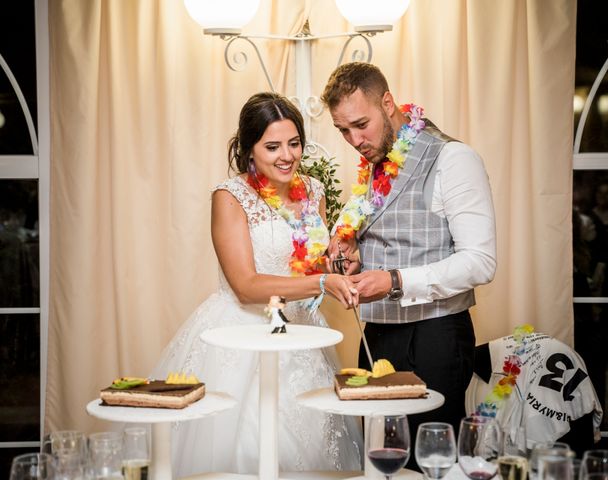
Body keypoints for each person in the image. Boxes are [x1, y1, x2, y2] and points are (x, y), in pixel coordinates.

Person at [152, 92, 362, 477]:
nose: (287, 156)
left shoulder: (313, 191)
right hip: (243, 336)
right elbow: (245, 285)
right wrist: (323, 280)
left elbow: (307, 264)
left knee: (312, 445)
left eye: (294, 143)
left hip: (302, 337)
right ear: (250, 149)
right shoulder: (230, 197)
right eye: (272, 146)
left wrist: (339, 262)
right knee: (252, 446)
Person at [321, 62, 497, 470]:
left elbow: (481, 261)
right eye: (343, 130)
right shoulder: (376, 162)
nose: (354, 139)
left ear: (388, 102)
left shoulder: (454, 158)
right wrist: (352, 246)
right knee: (379, 463)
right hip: (378, 337)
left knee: (424, 465)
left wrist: (396, 280)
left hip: (434, 338)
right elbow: (397, 234)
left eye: (361, 124)